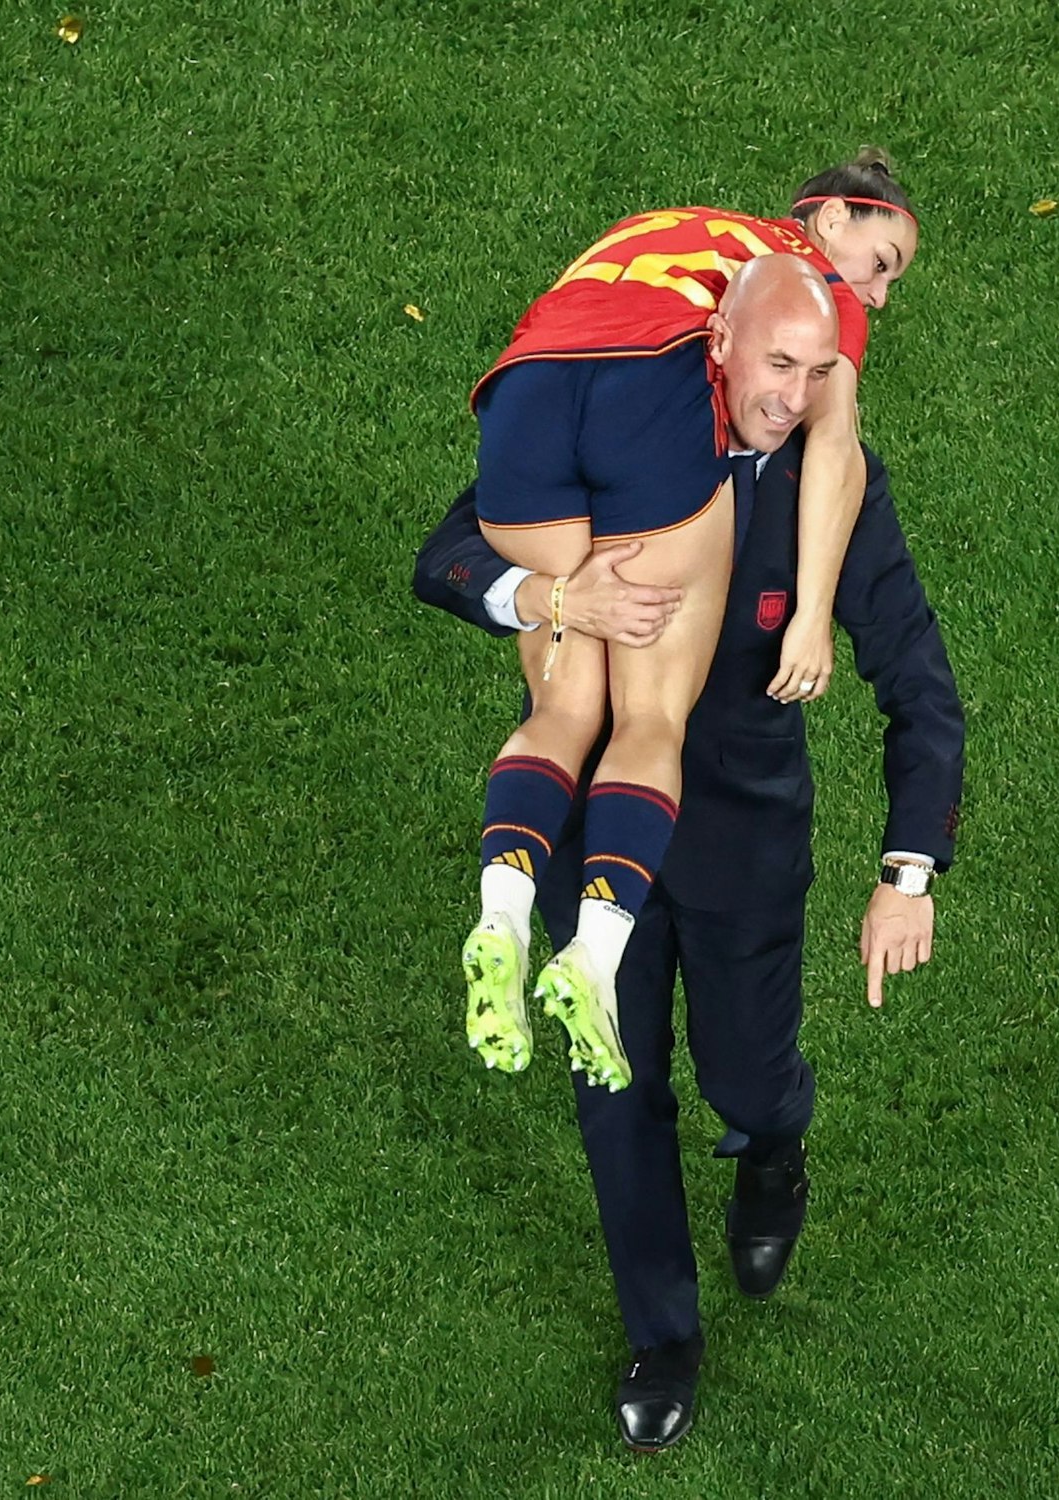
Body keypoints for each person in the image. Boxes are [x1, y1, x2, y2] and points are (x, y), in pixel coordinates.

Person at [415, 428, 964, 1451]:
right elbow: (448, 557)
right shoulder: (605, 433)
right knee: (612, 1087)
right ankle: (661, 1337)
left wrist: (906, 874)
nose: (789, 393)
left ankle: (771, 1147)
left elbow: (916, 681)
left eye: (811, 372)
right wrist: (554, 600)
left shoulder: (822, 477)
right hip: (596, 832)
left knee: (747, 1078)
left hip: (740, 848)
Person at [461, 154, 921, 1095]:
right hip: (648, 400)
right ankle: (591, 959)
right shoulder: (805, 292)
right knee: (647, 719)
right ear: (831, 218)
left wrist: (557, 597)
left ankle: (499, 915)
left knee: (567, 691)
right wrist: (813, 614)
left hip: (523, 388)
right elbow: (834, 452)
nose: (878, 292)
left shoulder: (683, 229)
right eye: (883, 260)